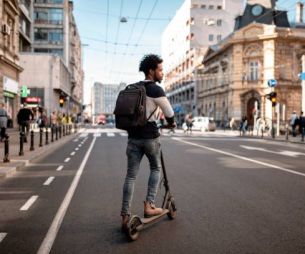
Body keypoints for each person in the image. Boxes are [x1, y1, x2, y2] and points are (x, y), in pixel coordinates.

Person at [120, 54, 176, 230]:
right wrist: (171, 123)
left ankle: (124, 214)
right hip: (150, 137)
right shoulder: (156, 90)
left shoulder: (134, 88)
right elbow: (169, 113)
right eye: (160, 69)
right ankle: (150, 205)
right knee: (155, 168)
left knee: (130, 175)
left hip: (133, 138)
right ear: (151, 71)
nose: (162, 73)